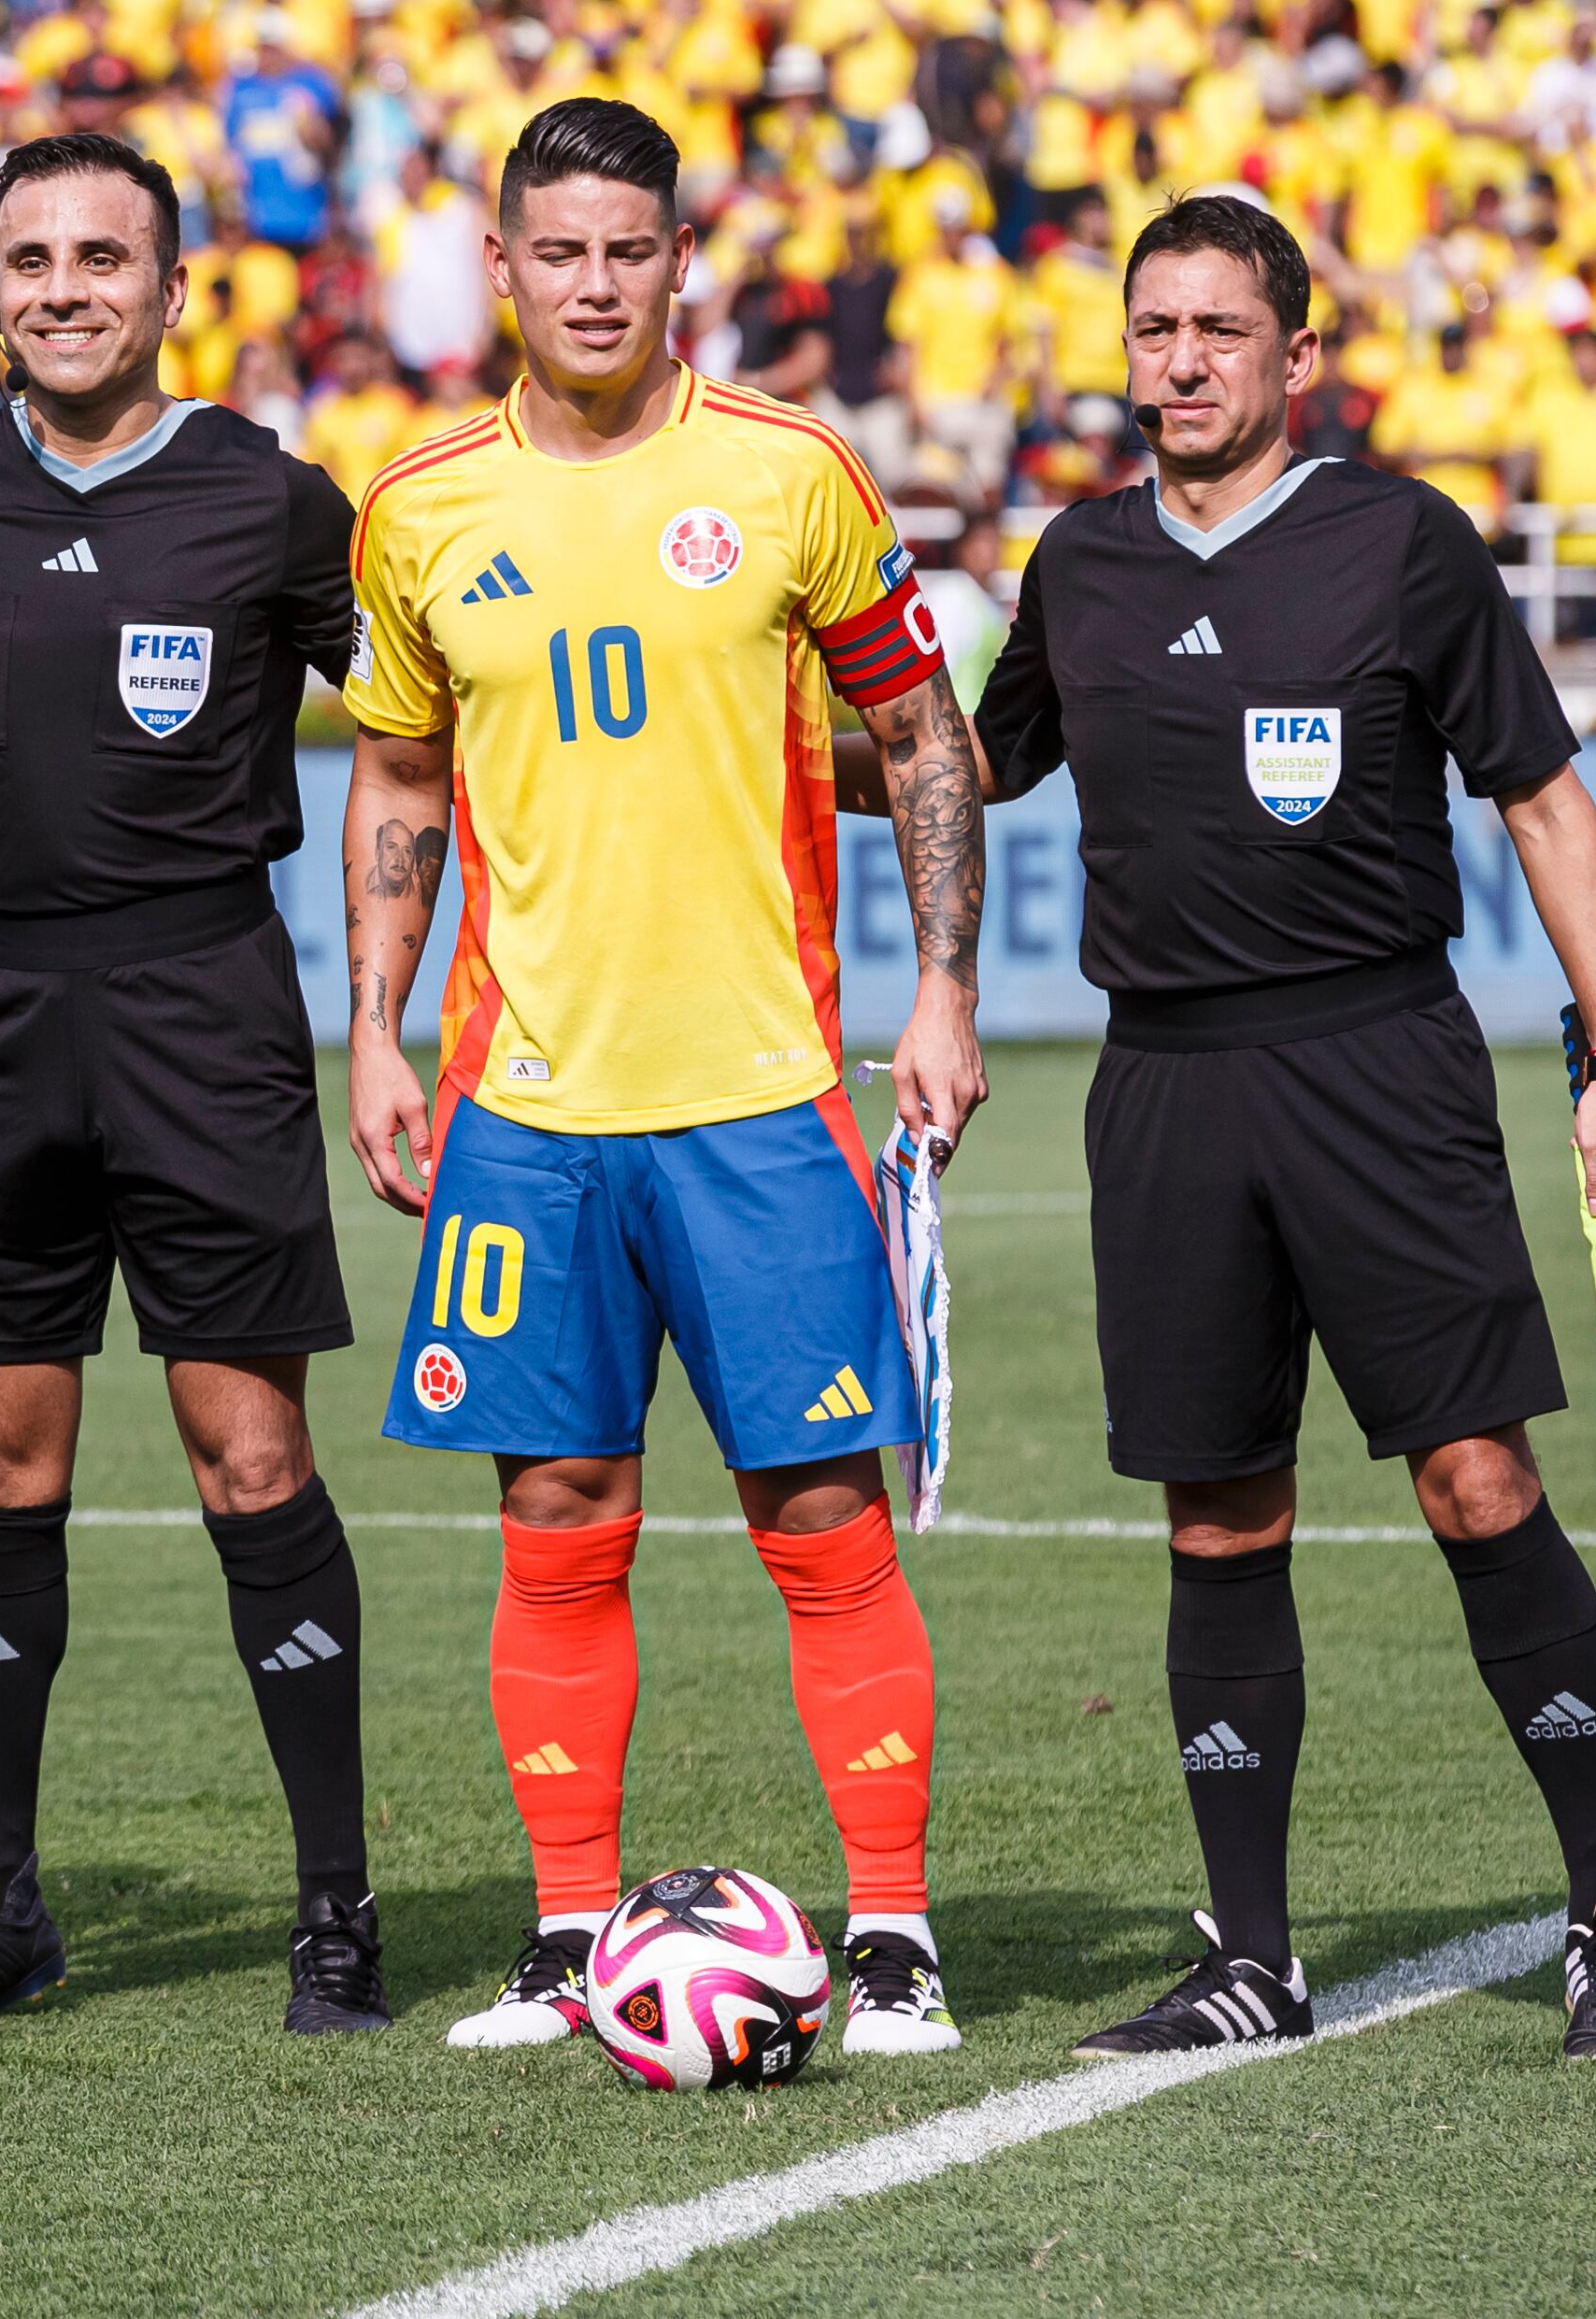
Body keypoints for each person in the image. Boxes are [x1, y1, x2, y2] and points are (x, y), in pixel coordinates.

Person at [944, 194, 1596, 2062]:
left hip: (1376, 1064)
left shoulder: (1397, 543)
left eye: (1214, 328)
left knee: (1473, 1480)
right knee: (1215, 1509)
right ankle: (1250, 1953)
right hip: (1162, 1083)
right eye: (1151, 329)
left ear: (1292, 355)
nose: (1176, 361)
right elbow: (963, 766)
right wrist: (813, 677)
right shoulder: (1081, 562)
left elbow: (1543, 806)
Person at [341, 99, 990, 2060]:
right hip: (521, 1103)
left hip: (757, 1090)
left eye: (630, 247)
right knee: (554, 1507)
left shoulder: (790, 473)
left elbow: (923, 732)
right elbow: (390, 776)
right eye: (558, 250)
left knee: (817, 1510)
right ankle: (561, 1932)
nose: (595, 282)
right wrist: (370, 1024)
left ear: (679, 261)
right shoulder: (419, 503)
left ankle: (887, 1933)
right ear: (504, 266)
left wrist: (945, 983)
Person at [0, 133, 383, 2034]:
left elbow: (412, 734)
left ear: (174, 292)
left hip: (200, 1002)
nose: (63, 287)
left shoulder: (269, 500)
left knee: (248, 1446)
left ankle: (335, 1903)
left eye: (102, 257)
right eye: (27, 257)